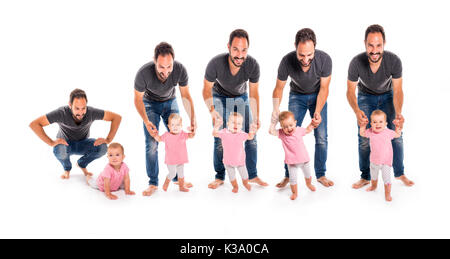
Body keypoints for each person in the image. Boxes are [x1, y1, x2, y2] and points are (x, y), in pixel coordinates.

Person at [346, 24, 414, 189]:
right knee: (364, 137)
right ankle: (365, 176)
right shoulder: (356, 62)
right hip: (365, 97)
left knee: (396, 134)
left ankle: (399, 173)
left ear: (384, 44)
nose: (374, 50)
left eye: (378, 45)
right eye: (371, 45)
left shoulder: (394, 61)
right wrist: (357, 111)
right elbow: (349, 91)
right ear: (365, 44)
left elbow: (398, 90)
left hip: (387, 95)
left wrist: (398, 114)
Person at [202, 29, 268, 189]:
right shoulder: (215, 63)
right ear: (229, 47)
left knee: (251, 137)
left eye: (244, 50)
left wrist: (256, 117)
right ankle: (219, 176)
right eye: (236, 49)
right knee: (220, 137)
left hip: (241, 97)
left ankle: (251, 175)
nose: (240, 55)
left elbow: (254, 93)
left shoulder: (252, 65)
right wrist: (212, 110)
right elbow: (206, 89)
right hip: (219, 96)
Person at [271, 28, 334, 188]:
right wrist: (275, 109)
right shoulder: (286, 61)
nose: (305, 59)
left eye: (309, 55)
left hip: (317, 96)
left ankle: (320, 174)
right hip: (296, 96)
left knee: (321, 137)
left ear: (315, 48)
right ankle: (287, 175)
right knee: (289, 135)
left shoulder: (325, 59)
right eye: (301, 55)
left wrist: (318, 111)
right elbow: (279, 88)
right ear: (295, 47)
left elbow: (324, 88)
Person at [134, 42, 197, 196]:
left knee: (177, 137)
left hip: (170, 101)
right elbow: (137, 99)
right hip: (149, 104)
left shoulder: (180, 70)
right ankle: (153, 183)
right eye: (161, 67)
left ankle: (177, 178)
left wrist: (193, 119)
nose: (166, 71)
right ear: (155, 61)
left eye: (169, 66)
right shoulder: (143, 73)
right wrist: (146, 121)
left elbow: (186, 95)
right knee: (152, 143)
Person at [29, 89, 122, 179]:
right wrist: (51, 142)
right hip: (65, 145)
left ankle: (82, 163)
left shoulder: (91, 112)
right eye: (77, 108)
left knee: (103, 147)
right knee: (60, 149)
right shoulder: (61, 113)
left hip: (83, 143)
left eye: (83, 108)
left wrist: (108, 139)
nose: (81, 112)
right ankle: (67, 169)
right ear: (70, 105)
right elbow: (35, 124)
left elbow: (116, 117)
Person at [270, 111, 316, 200]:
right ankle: (294, 193)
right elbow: (271, 131)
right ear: (281, 127)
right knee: (293, 179)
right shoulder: (282, 134)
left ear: (295, 122)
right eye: (285, 127)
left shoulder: (299, 130)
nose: (289, 128)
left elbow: (308, 130)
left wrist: (312, 123)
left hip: (304, 160)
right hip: (291, 163)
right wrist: (273, 123)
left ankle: (309, 184)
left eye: (291, 125)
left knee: (308, 175)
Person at [359, 110, 402, 202]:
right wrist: (362, 126)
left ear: (386, 123)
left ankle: (387, 194)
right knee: (374, 176)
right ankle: (373, 186)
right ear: (371, 123)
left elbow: (397, 134)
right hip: (374, 161)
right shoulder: (370, 131)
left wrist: (398, 127)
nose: (377, 124)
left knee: (386, 179)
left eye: (380, 122)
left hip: (386, 161)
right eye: (375, 122)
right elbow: (362, 133)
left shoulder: (388, 132)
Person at [213, 112, 255, 193]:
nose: (236, 125)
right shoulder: (224, 132)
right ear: (228, 124)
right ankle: (235, 186)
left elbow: (250, 137)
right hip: (228, 162)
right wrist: (216, 126)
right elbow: (214, 134)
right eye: (233, 122)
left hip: (240, 161)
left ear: (241, 126)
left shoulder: (241, 134)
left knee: (245, 176)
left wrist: (252, 130)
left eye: (239, 123)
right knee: (232, 177)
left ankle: (245, 184)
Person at [152, 114, 194, 193]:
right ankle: (166, 183)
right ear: (169, 126)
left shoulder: (183, 134)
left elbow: (191, 136)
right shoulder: (166, 135)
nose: (175, 127)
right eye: (173, 125)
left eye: (178, 125)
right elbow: (159, 139)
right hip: (171, 160)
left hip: (181, 159)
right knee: (172, 173)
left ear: (181, 125)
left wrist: (192, 130)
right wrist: (155, 134)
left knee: (181, 174)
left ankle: (181, 187)